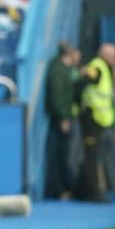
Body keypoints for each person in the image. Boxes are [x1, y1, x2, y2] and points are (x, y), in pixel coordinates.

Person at [75, 44, 115, 202]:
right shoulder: (97, 68)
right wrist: (81, 107)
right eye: (113, 55)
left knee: (93, 156)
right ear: (104, 55)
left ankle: (84, 189)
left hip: (102, 120)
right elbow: (79, 84)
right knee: (91, 157)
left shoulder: (105, 69)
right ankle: (92, 192)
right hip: (92, 119)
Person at [44, 43, 77, 200]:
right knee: (60, 156)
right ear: (68, 52)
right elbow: (56, 95)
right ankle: (59, 190)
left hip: (66, 116)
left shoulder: (65, 69)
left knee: (64, 155)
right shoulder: (57, 70)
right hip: (60, 118)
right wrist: (63, 117)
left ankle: (64, 189)